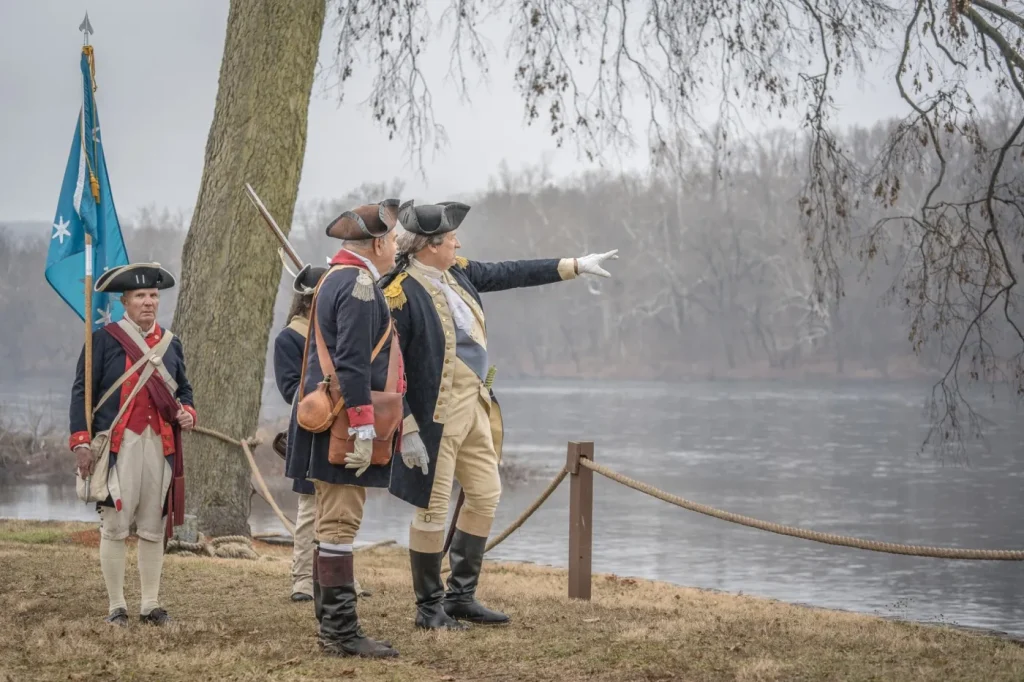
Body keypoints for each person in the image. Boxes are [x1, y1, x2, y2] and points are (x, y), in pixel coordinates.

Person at [381, 200, 618, 630]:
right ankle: (428, 607)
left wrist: (575, 265)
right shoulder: (398, 293)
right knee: (432, 510)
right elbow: (389, 368)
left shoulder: (460, 272)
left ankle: (461, 597)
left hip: (475, 406)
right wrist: (407, 427)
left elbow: (511, 273)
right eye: (450, 237)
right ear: (430, 246)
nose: (457, 242)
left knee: (486, 494)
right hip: (433, 419)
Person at [285, 199, 404, 659]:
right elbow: (353, 363)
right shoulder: (356, 283)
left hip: (329, 417)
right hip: (342, 424)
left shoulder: (338, 277)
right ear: (377, 242)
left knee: (331, 525)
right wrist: (363, 427)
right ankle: (339, 631)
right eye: (392, 240)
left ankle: (331, 623)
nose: (395, 247)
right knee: (339, 524)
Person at [69, 262, 197, 627]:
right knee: (114, 524)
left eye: (153, 295)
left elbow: (183, 391)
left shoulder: (172, 344)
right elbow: (82, 392)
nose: (148, 302)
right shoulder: (104, 340)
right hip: (118, 446)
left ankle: (150, 604)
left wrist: (187, 411)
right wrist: (81, 441)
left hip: (160, 444)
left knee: (153, 524)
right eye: (140, 295)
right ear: (124, 300)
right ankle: (116, 606)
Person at [273, 264, 326, 603]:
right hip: (310, 428)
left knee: (340, 510)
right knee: (309, 509)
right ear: (308, 303)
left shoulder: (337, 336)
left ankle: (336, 579)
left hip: (342, 427)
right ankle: (303, 580)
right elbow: (291, 389)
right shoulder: (289, 339)